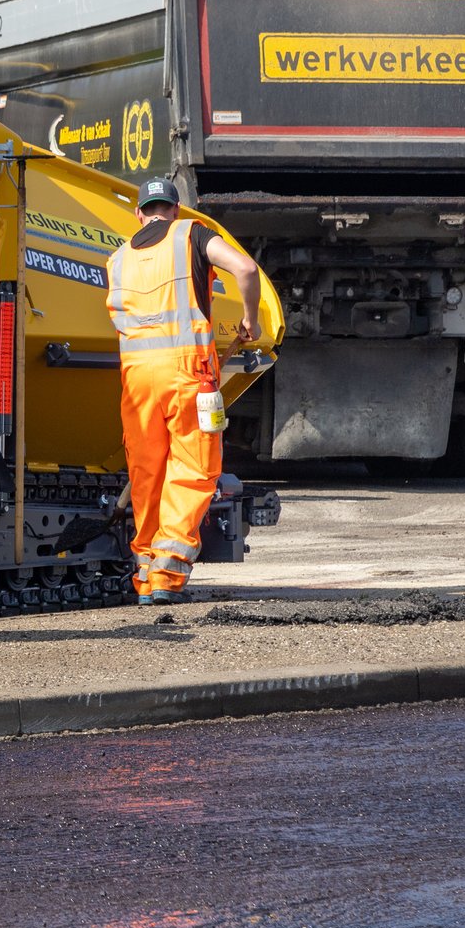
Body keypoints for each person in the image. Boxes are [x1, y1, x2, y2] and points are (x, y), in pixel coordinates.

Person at [106, 176, 262, 606]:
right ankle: (167, 578)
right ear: (174, 210)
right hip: (187, 376)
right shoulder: (191, 235)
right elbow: (246, 269)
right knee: (192, 470)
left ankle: (144, 573)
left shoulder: (117, 259)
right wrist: (252, 318)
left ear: (139, 214)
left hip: (136, 380)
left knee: (147, 475)